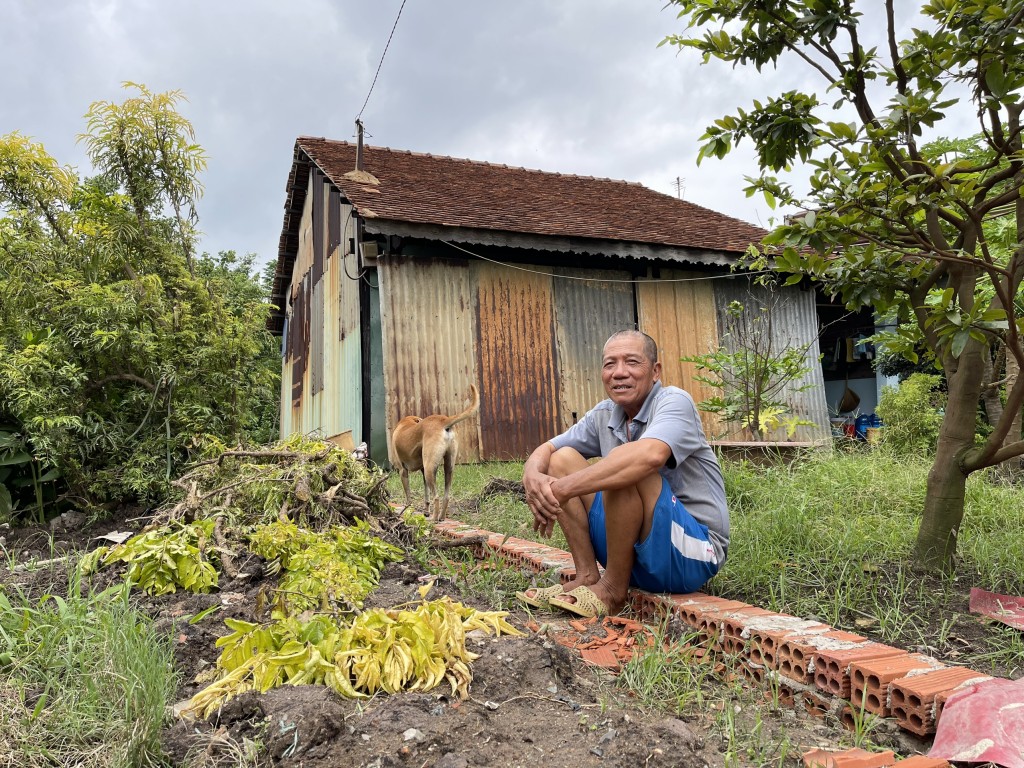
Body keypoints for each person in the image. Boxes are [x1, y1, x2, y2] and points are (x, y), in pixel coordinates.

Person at [517, 330, 729, 617]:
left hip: (690, 553)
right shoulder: (606, 414)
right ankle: (587, 577)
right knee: (560, 460)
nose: (619, 373)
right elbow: (550, 448)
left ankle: (614, 591)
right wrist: (532, 476)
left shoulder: (674, 401)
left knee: (625, 463)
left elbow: (648, 456)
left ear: (655, 371)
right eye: (609, 364)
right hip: (639, 552)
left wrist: (560, 490)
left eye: (631, 362)